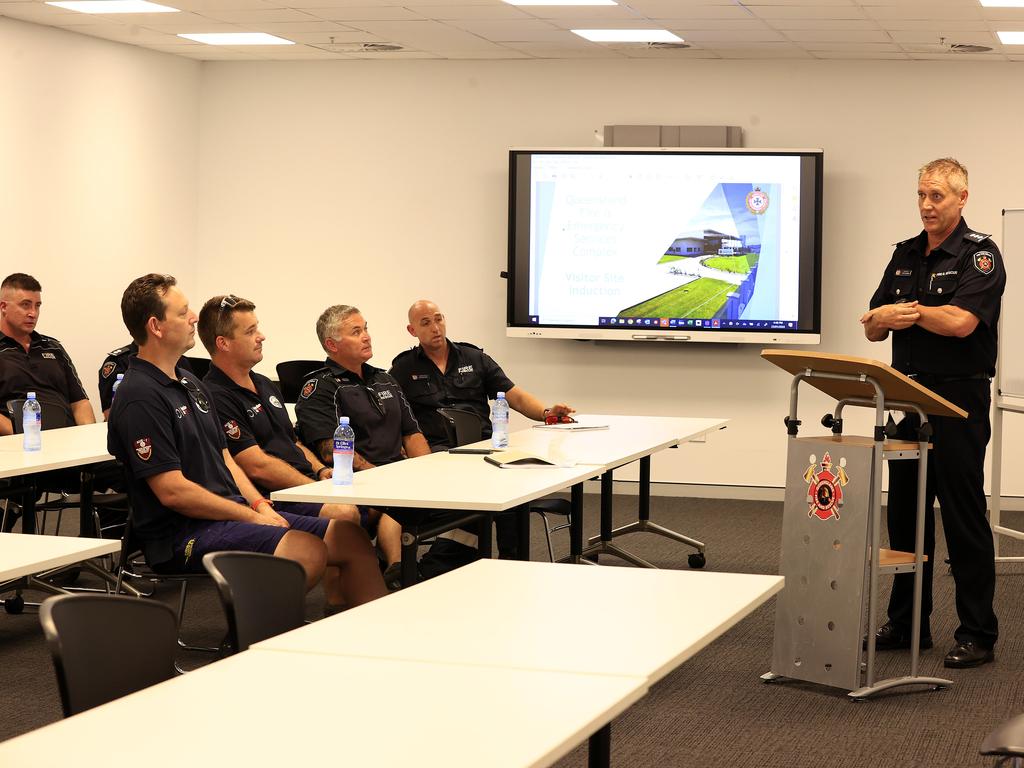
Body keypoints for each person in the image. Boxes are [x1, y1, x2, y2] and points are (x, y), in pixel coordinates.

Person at [107, 274, 386, 610]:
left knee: (349, 539)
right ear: (156, 326)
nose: (193, 317)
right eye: (182, 313)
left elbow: (226, 459)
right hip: (182, 533)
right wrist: (249, 516)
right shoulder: (139, 395)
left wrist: (258, 506)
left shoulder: (190, 383)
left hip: (229, 511)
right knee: (305, 550)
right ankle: (253, 643)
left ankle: (363, 632)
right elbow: (173, 491)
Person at [860, 158, 1004, 668]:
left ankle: (976, 633)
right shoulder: (904, 255)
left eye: (937, 196)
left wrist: (913, 313)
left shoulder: (979, 255)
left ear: (962, 198)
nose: (926, 205)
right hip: (905, 401)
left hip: (958, 404)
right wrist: (886, 318)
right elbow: (872, 325)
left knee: (963, 518)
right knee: (905, 518)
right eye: (921, 194)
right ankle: (906, 623)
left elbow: (963, 323)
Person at [196, 293, 401, 569]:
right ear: (223, 343)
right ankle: (342, 596)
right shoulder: (215, 395)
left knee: (378, 500)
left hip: (303, 482)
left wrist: (319, 471)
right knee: (344, 513)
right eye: (251, 331)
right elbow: (255, 466)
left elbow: (292, 440)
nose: (262, 336)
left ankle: (351, 592)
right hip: (270, 495)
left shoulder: (264, 384)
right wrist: (316, 488)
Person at [295, 304, 480, 581]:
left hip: (401, 479)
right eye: (356, 332)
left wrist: (432, 473)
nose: (367, 336)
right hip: (360, 486)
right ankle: (400, 572)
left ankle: (422, 572)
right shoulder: (322, 387)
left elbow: (412, 434)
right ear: (332, 345)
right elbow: (330, 448)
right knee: (394, 512)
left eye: (366, 328)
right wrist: (381, 477)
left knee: (475, 502)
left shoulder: (385, 379)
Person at [390, 299, 574, 451]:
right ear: (412, 330)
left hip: (481, 446)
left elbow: (516, 397)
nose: (435, 328)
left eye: (439, 319)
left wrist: (547, 414)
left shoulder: (475, 358)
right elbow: (391, 418)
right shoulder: (404, 368)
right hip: (435, 452)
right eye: (426, 322)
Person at [0, 273, 96, 435]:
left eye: (37, 305)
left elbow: (80, 402)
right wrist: (23, 435)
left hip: (67, 440)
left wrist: (87, 435)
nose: (33, 313)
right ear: (3, 307)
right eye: (25, 305)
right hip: (20, 443)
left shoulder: (53, 348)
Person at [98, 341, 194, 419]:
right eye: (181, 316)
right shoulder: (119, 362)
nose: (194, 319)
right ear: (154, 325)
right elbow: (112, 414)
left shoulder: (182, 362)